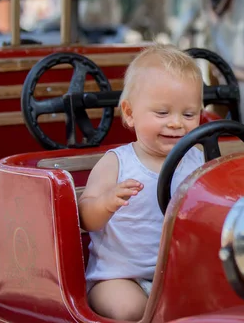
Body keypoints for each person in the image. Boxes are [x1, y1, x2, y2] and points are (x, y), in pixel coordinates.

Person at [78, 44, 205, 321]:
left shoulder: (197, 160)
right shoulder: (117, 163)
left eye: (188, 114)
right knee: (132, 310)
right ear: (130, 113)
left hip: (177, 275)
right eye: (162, 113)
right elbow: (86, 218)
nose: (176, 124)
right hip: (119, 278)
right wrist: (106, 202)